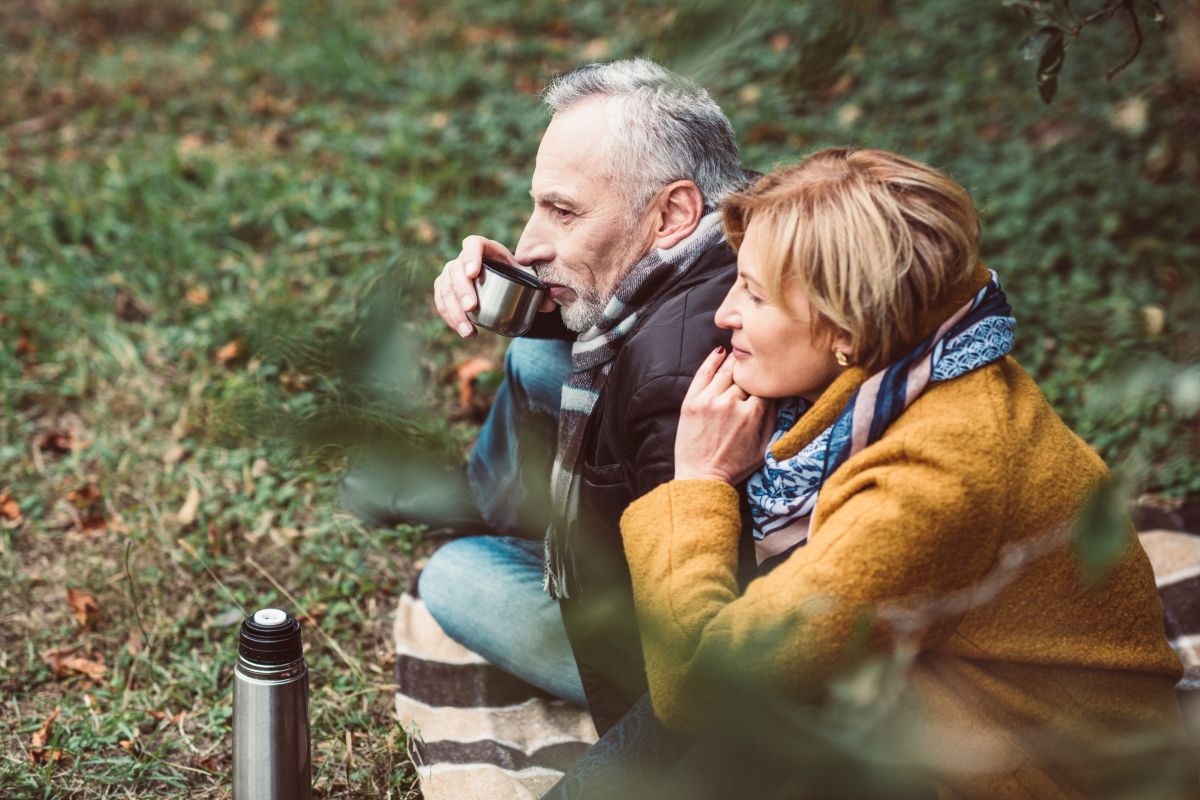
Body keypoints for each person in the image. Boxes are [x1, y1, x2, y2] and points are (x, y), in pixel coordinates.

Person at [545, 148, 1192, 798]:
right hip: (947, 692)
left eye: (756, 295)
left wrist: (698, 483)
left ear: (848, 330)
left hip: (1044, 773)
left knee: (714, 715)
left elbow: (698, 684)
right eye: (737, 282)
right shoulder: (926, 353)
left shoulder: (931, 478)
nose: (724, 314)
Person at [342, 59, 749, 732]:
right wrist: (529, 298)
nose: (529, 245)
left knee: (451, 576)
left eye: (564, 211)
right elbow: (624, 318)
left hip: (667, 646)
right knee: (534, 352)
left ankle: (509, 521)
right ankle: (487, 495)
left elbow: (684, 638)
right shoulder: (734, 226)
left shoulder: (679, 386)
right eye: (539, 206)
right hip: (645, 512)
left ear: (672, 212)